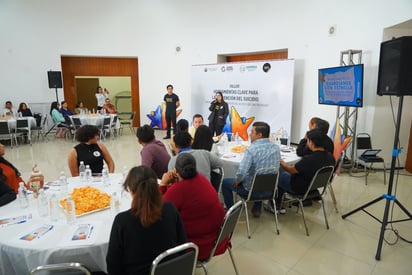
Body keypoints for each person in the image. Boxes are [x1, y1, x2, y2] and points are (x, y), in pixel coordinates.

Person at [107, 166, 186, 275]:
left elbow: (113, 266)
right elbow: (182, 246)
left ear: (130, 190)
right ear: (156, 186)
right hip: (171, 271)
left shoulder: (122, 221)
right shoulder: (170, 208)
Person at [160, 153, 227, 260]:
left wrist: (163, 184)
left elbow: (158, 209)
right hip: (216, 239)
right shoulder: (202, 179)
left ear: (176, 171)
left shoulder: (178, 190)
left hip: (196, 247)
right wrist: (173, 186)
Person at [222, 121, 281, 217]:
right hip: (270, 190)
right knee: (261, 176)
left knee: (225, 183)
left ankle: (231, 211)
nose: (250, 134)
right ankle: (256, 209)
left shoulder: (252, 149)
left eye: (252, 132)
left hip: (251, 191)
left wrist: (237, 180)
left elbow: (242, 172)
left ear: (259, 135)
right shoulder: (276, 148)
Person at [277, 129, 336, 210]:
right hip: (314, 187)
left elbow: (291, 170)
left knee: (280, 174)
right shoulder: (330, 157)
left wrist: (281, 161)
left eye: (307, 141)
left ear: (311, 142)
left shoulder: (309, 159)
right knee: (284, 172)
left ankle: (277, 203)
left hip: (299, 188)